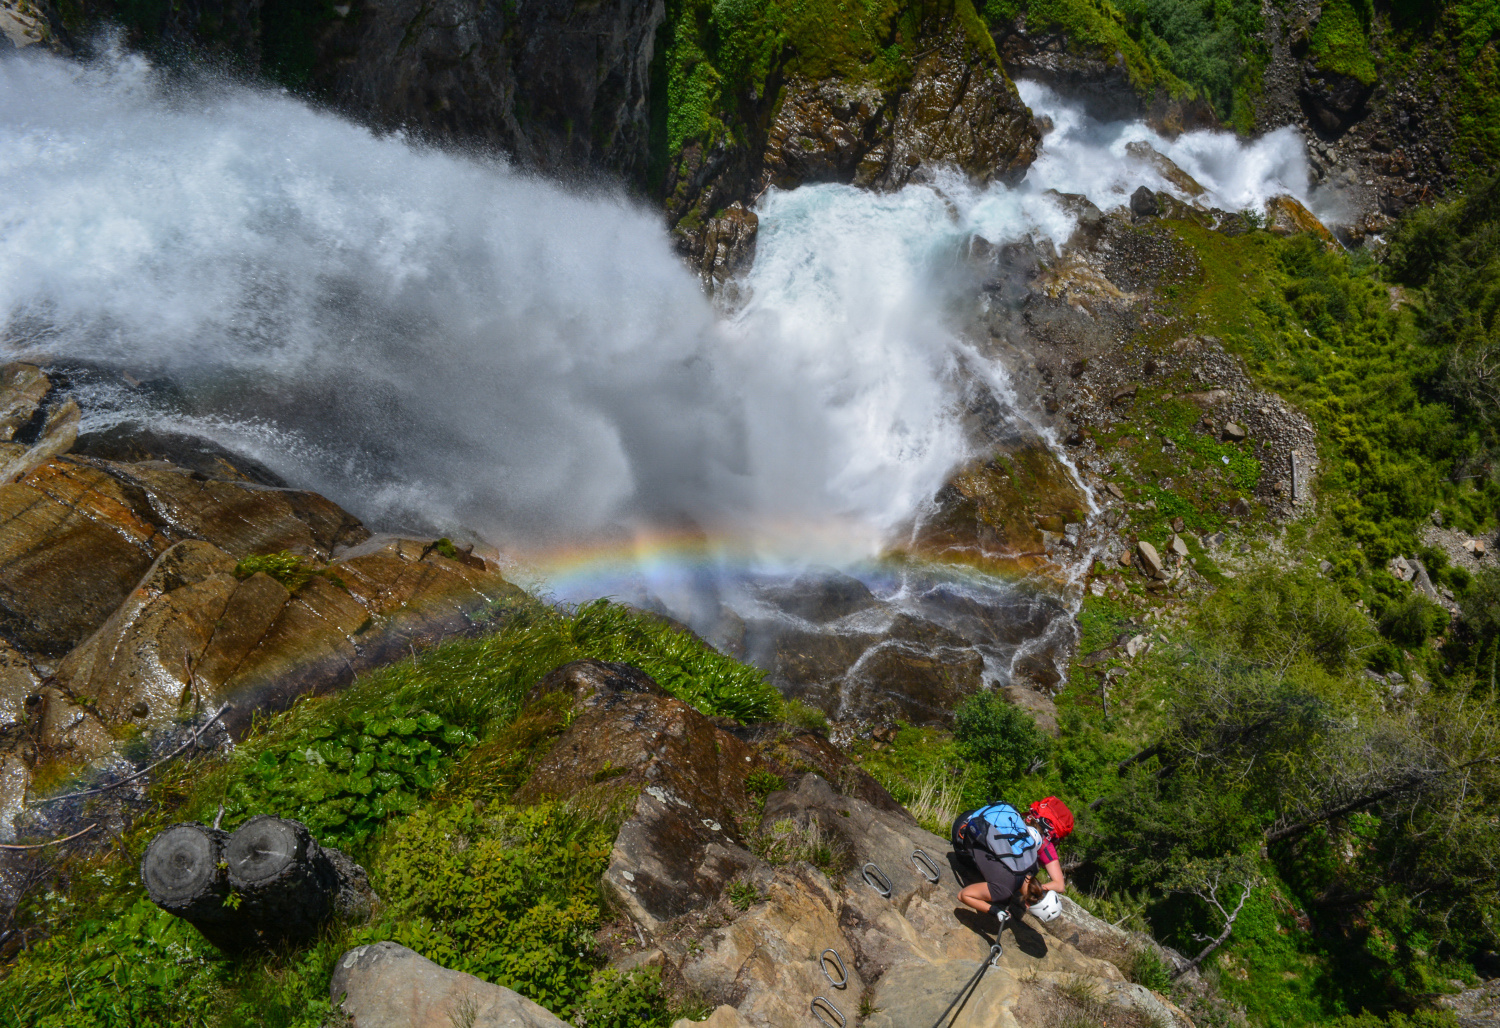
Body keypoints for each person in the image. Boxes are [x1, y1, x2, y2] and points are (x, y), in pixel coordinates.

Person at [953, 796, 1074, 921]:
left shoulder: (1033, 863)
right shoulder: (1004, 891)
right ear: (1027, 905)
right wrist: (993, 910)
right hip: (960, 835)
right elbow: (963, 895)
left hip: (975, 815)